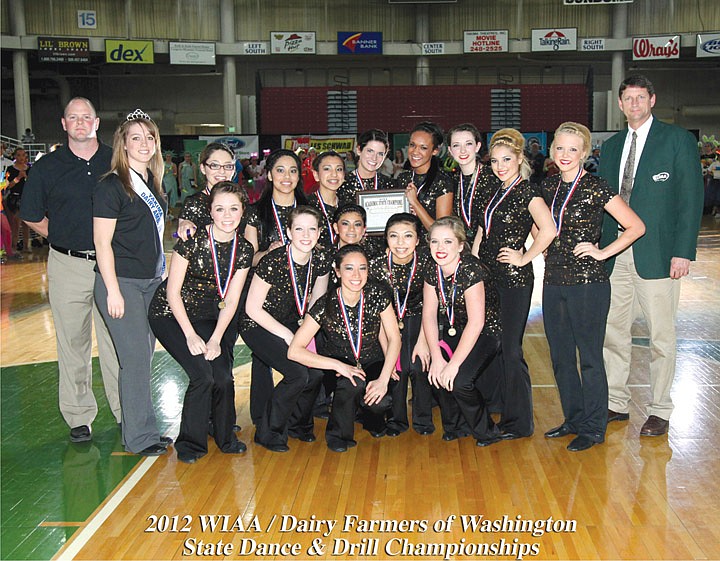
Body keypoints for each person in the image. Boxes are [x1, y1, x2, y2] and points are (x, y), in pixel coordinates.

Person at [599, 75, 704, 437]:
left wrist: (682, 252)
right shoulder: (611, 147)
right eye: (628, 99)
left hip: (659, 253)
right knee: (614, 331)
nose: (634, 104)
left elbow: (691, 200)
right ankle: (615, 402)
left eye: (640, 98)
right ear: (620, 104)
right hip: (617, 253)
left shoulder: (676, 141)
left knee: (661, 335)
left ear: (653, 100)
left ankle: (660, 409)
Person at [20, 97, 121, 443]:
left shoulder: (116, 161)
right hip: (68, 264)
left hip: (114, 265)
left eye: (86, 117)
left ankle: (127, 411)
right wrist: (62, 235)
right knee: (72, 344)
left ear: (96, 122)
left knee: (117, 343)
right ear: (64, 124)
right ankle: (79, 417)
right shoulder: (47, 167)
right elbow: (31, 214)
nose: (80, 123)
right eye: (73, 118)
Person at [542, 121, 645, 452]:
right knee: (560, 357)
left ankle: (594, 426)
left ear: (585, 153)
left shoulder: (598, 187)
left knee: (589, 356)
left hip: (588, 282)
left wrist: (602, 252)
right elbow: (541, 226)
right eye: (560, 148)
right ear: (551, 150)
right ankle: (573, 418)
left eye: (573, 149)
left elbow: (635, 227)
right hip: (553, 278)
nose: (566, 154)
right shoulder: (547, 187)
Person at [149, 182, 253, 463]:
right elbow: (172, 292)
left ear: (242, 211)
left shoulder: (243, 249)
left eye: (233, 208)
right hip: (171, 314)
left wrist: (217, 338)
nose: (227, 215)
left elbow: (231, 301)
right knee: (202, 376)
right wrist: (191, 336)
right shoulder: (191, 242)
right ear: (210, 212)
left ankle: (225, 437)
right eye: (220, 209)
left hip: (209, 316)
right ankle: (190, 444)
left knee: (222, 375)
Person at [93, 109, 170, 456]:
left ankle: (146, 429)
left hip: (151, 282)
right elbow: (101, 243)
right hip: (121, 283)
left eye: (149, 137)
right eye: (135, 137)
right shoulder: (111, 185)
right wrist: (112, 290)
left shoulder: (155, 182)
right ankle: (139, 438)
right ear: (122, 145)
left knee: (143, 359)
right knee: (135, 360)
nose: (143, 143)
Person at [476, 128, 555, 439]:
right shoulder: (494, 191)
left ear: (520, 158)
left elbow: (547, 230)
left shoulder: (528, 192)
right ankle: (497, 402)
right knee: (492, 344)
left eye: (506, 159)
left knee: (510, 349)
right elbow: (483, 232)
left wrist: (525, 257)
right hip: (488, 276)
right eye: (495, 161)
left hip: (513, 279)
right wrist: (471, 266)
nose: (500, 166)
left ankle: (519, 423)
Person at [288, 244, 401, 452]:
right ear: (338, 271)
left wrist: (384, 378)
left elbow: (394, 338)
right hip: (338, 362)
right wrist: (338, 365)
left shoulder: (377, 295)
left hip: (372, 359)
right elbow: (294, 350)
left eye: (363, 268)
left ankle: (370, 419)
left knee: (380, 400)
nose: (357, 275)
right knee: (353, 383)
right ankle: (338, 435)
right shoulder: (325, 304)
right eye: (349, 268)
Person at [241, 206, 329, 452]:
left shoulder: (320, 260)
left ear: (320, 232)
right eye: (299, 228)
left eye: (312, 228)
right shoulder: (274, 260)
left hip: (294, 323)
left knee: (316, 374)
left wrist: (304, 336)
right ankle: (268, 433)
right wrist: (289, 336)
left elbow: (315, 306)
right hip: (258, 323)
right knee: (297, 374)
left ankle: (298, 425)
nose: (305, 234)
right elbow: (252, 309)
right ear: (289, 232)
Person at [422, 216, 502, 446]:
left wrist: (453, 364)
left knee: (459, 380)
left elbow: (477, 322)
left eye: (447, 242)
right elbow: (428, 314)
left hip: (485, 332)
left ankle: (488, 431)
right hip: (452, 328)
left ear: (460, 245)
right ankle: (455, 426)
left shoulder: (471, 269)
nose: (440, 248)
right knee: (435, 373)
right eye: (435, 242)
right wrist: (437, 358)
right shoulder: (431, 267)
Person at [244, 149, 308, 426]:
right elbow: (248, 257)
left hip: (301, 298)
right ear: (269, 175)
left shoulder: (308, 211)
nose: (286, 176)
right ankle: (261, 416)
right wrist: (270, 252)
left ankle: (300, 414)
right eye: (280, 170)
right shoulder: (256, 212)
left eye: (292, 170)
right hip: (265, 301)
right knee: (263, 357)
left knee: (303, 357)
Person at [369, 213, 434, 435]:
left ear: (417, 240)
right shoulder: (376, 267)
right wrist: (387, 348)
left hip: (420, 319)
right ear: (386, 239)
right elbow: (376, 313)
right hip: (386, 322)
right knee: (396, 368)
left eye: (408, 236)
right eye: (393, 236)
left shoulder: (427, 263)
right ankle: (396, 420)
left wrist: (424, 342)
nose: (400, 243)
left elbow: (430, 307)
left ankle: (423, 419)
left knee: (418, 365)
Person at [446, 123, 498, 249]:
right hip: (464, 248)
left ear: (477, 146)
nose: (463, 150)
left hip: (492, 247)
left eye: (468, 144)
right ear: (450, 151)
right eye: (456, 145)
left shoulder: (494, 177)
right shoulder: (451, 181)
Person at [396, 122, 454, 235]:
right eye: (412, 145)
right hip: (404, 246)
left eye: (423, 147)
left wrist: (415, 203)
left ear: (435, 151)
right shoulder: (403, 178)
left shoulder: (443, 182)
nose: (415, 151)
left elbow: (441, 231)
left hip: (431, 249)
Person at [176, 143, 238, 242]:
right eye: (214, 165)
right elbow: (181, 249)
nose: (222, 171)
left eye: (228, 166)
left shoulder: (241, 200)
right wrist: (184, 225)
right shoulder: (193, 203)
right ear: (203, 168)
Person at [337, 130, 395, 206]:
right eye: (370, 151)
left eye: (380, 154)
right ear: (358, 150)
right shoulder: (341, 184)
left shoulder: (391, 185)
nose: (374, 158)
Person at [307, 150, 344, 250]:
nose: (334, 174)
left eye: (339, 169)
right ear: (316, 175)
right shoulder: (305, 206)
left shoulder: (348, 205)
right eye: (327, 169)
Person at [4, 147, 32, 254]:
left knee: (27, 224)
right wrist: (18, 178)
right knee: (15, 223)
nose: (21, 157)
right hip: (14, 198)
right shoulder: (10, 169)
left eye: (23, 155)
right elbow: (8, 186)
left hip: (26, 198)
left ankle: (26, 246)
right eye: (19, 155)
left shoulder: (29, 169)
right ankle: (13, 247)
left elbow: (33, 185)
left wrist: (26, 178)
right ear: (15, 156)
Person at [162, 151, 179, 216]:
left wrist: (172, 172)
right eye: (167, 156)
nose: (168, 158)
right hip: (165, 181)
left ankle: (171, 212)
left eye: (169, 156)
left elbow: (176, 174)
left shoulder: (173, 165)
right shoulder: (163, 164)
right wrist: (165, 172)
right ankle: (166, 212)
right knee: (165, 196)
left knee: (172, 196)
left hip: (172, 181)